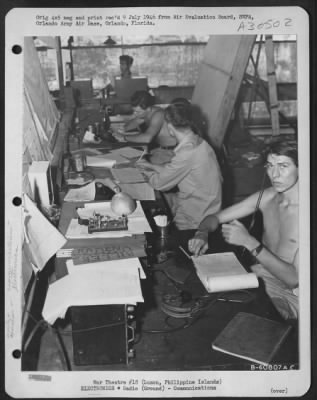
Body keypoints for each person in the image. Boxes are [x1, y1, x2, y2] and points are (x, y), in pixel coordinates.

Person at [188, 140, 299, 320]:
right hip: (263, 276)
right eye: (270, 166)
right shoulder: (268, 197)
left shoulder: (307, 213)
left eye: (283, 166)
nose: (275, 174)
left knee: (256, 318)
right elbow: (215, 218)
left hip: (295, 294)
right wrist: (202, 233)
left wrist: (249, 242)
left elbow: (294, 278)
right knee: (212, 303)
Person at [136, 102, 223, 230]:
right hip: (207, 206)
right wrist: (149, 165)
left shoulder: (187, 152)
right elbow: (175, 170)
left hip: (197, 217)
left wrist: (143, 170)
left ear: (170, 126)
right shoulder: (198, 141)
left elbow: (160, 184)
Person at [114, 92, 189, 164]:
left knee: (136, 164)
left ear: (149, 109)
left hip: (170, 152)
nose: (135, 114)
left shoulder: (159, 114)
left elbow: (147, 138)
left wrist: (124, 137)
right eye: (134, 111)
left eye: (138, 112)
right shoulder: (145, 113)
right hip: (159, 149)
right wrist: (122, 129)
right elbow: (136, 121)